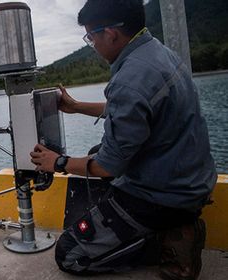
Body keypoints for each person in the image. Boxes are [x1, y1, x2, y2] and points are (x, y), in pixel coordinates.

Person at [29, 0, 217, 279]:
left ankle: (171, 242)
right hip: (189, 180)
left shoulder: (131, 78)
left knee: (69, 254)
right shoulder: (158, 54)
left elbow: (107, 167)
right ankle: (158, 225)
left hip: (164, 196)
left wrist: (57, 162)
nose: (92, 44)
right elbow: (134, 112)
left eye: (91, 37)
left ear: (111, 34)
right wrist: (78, 106)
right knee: (97, 149)